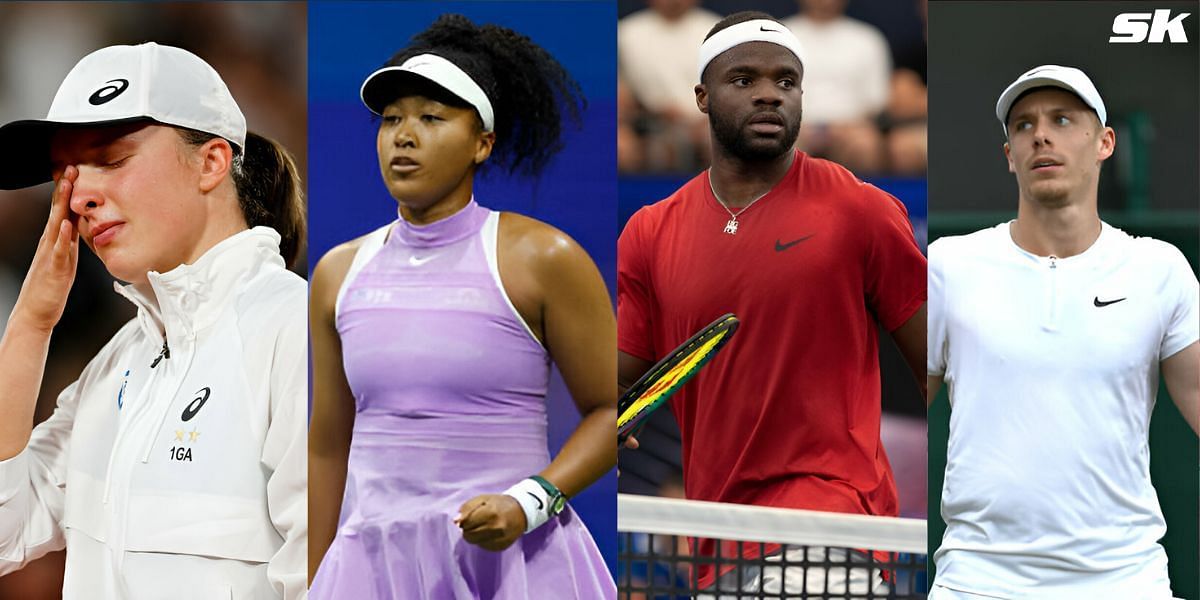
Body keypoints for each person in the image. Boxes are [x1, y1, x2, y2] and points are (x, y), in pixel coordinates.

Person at [617, 11, 927, 596]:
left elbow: (937, 366)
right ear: (702, 98)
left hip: (834, 525)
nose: (768, 95)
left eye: (786, 82)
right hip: (717, 538)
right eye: (744, 81)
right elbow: (617, 378)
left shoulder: (861, 210)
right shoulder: (649, 232)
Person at [307, 14, 617, 599]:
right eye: (392, 119)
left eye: (431, 117)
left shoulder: (544, 257)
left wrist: (527, 503)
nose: (404, 135)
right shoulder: (337, 274)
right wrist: (313, 580)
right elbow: (327, 443)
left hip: (516, 565)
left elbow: (609, 413)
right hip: (372, 573)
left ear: (482, 143)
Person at [0, 42, 307, 598]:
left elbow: (329, 578)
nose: (80, 196)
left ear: (211, 161)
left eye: (111, 159)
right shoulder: (119, 362)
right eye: (64, 174)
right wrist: (30, 327)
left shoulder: (296, 333)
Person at [927, 65, 1199, 598]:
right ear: (1010, 156)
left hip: (1126, 580)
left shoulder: (1159, 269)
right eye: (1023, 126)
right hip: (977, 581)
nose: (1041, 135)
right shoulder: (948, 266)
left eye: (1062, 119)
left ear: (1105, 143)